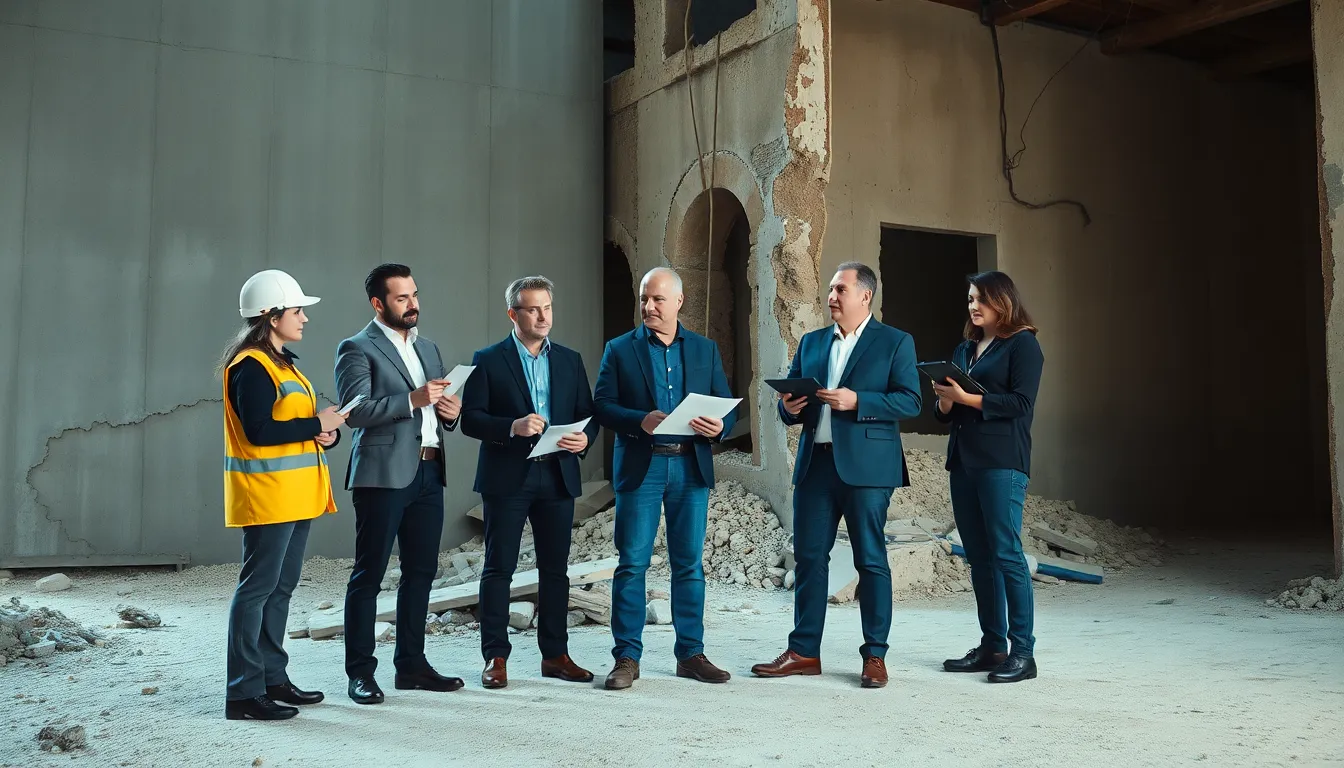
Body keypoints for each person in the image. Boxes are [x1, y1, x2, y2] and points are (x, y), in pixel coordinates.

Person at [752, 261, 922, 689]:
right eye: (829, 289)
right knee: (809, 559)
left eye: (840, 289)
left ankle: (875, 657)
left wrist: (856, 400)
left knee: (870, 560)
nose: (831, 296)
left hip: (868, 470)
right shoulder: (811, 342)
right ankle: (804, 652)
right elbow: (789, 398)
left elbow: (909, 402)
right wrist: (787, 408)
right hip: (816, 465)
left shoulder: (895, 343)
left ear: (865, 296)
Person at [593, 266, 737, 690]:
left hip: (690, 466)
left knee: (689, 564)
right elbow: (602, 406)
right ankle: (626, 658)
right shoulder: (620, 349)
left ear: (679, 302)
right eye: (644, 299)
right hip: (644, 465)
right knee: (632, 563)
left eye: (657, 299)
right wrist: (641, 420)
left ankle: (691, 654)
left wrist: (720, 429)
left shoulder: (705, 350)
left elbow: (725, 407)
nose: (649, 307)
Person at [460, 276, 601, 689]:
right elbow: (470, 419)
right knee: (498, 568)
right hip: (508, 477)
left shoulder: (570, 360)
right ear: (513, 314)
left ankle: (555, 656)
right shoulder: (487, 359)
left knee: (555, 571)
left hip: (558, 473)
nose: (543, 316)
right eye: (533, 309)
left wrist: (583, 440)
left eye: (548, 308)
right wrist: (512, 426)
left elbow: (588, 414)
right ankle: (495, 658)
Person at [333, 263, 465, 704]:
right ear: (378, 303)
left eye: (414, 294)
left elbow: (436, 407)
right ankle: (360, 674)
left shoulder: (428, 347)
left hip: (429, 469)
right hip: (382, 475)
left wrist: (450, 411)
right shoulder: (356, 348)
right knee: (369, 575)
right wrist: (414, 398)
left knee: (421, 572)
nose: (413, 304)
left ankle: (411, 666)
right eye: (402, 298)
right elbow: (356, 412)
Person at [221, 269, 344, 721]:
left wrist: (324, 433)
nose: (304, 319)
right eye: (297, 311)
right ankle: (243, 693)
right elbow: (259, 431)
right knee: (256, 591)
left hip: (294, 495)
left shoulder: (282, 362)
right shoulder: (250, 366)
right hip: (269, 495)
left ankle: (273, 679)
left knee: (279, 590)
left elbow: (299, 423)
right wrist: (318, 426)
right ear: (271, 317)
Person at [932, 270, 1044, 684]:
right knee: (979, 558)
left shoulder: (1024, 345)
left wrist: (965, 397)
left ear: (1003, 301)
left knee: (1007, 554)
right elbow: (946, 413)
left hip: (1002, 462)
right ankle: (993, 646)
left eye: (980, 299)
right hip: (963, 461)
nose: (973, 306)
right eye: (969, 299)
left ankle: (1023, 653)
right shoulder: (965, 349)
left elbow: (1020, 403)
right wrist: (946, 403)